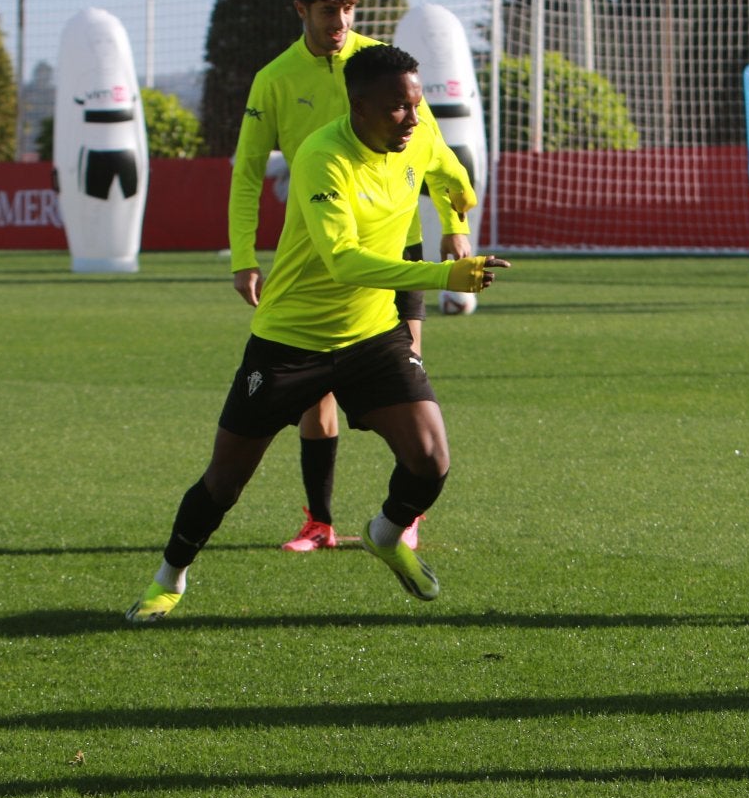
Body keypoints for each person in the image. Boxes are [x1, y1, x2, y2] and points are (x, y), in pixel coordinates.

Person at [128, 43, 504, 623]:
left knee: (430, 460)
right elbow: (344, 262)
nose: (412, 118)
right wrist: (445, 273)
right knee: (225, 482)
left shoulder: (418, 132)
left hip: (372, 336)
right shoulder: (321, 156)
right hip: (289, 342)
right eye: (397, 108)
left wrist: (456, 216)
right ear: (357, 106)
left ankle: (384, 532)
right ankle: (169, 577)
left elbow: (448, 170)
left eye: (417, 102)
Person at [229, 0, 474, 554]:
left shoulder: (380, 65)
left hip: (397, 248)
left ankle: (407, 513)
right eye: (326, 11)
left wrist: (454, 224)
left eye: (347, 10)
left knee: (405, 371)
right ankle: (320, 521)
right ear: (301, 11)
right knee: (317, 389)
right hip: (320, 256)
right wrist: (244, 255)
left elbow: (437, 152)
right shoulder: (276, 79)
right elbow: (247, 172)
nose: (339, 22)